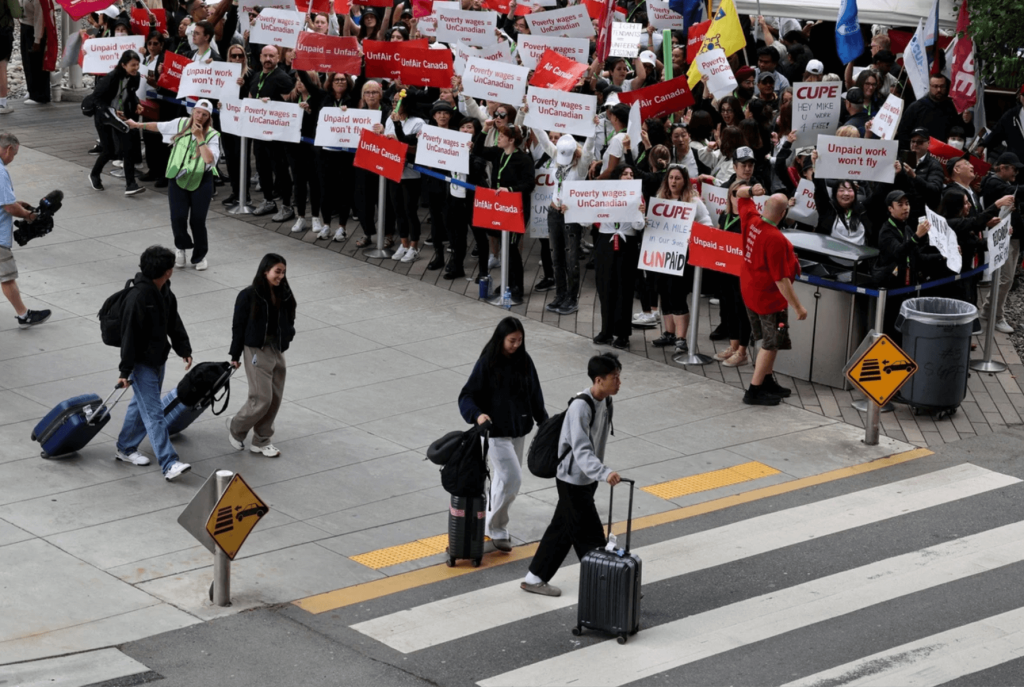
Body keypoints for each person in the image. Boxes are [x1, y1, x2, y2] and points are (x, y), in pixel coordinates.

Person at [522, 352, 622, 597]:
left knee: (563, 528)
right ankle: (608, 585)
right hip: (572, 479)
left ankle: (534, 577)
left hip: (586, 478)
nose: (619, 383)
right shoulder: (580, 406)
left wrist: (596, 473)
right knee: (589, 534)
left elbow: (596, 444)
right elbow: (581, 448)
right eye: (614, 378)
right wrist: (603, 472)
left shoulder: (606, 401)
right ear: (599, 380)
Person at [458, 317, 548, 553]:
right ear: (501, 339)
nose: (516, 345)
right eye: (511, 341)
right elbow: (466, 396)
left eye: (520, 340)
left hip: (518, 431)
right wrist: (477, 415)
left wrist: (545, 423)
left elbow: (535, 395)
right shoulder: (487, 363)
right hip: (495, 433)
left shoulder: (525, 361)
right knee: (512, 478)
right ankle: (497, 527)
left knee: (503, 478)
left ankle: (488, 523)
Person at [115, 246, 193, 481]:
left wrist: (183, 348)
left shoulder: (165, 291)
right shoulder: (138, 297)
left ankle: (125, 447)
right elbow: (128, 336)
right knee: (154, 413)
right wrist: (125, 371)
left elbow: (173, 321)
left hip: (158, 358)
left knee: (141, 406)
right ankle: (169, 463)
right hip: (141, 364)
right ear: (168, 271)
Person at [128, 99, 220, 271]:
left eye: (204, 114)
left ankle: (200, 256)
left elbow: (209, 159)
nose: (199, 116)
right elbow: (159, 126)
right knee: (177, 217)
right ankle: (181, 247)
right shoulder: (181, 124)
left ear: (209, 117)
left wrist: (200, 137)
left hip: (201, 180)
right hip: (178, 177)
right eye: (198, 112)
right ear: (193, 111)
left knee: (197, 221)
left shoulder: (213, 135)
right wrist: (137, 125)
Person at [735, 187, 805, 406]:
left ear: (764, 206)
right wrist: (798, 307)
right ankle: (754, 390)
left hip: (750, 292)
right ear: (784, 213)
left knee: (771, 339)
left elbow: (739, 194)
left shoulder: (751, 219)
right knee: (771, 341)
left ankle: (766, 380)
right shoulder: (776, 238)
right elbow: (781, 280)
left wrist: (749, 190)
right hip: (769, 300)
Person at [228, 253, 296, 458]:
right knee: (261, 398)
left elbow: (290, 316)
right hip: (256, 349)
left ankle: (261, 440)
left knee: (275, 397)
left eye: (283, 272)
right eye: (277, 271)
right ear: (265, 270)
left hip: (276, 348)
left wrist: (288, 335)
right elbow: (238, 326)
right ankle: (236, 427)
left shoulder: (284, 293)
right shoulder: (248, 295)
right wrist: (235, 353)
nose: (281, 276)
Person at [0, 132, 49, 327]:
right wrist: (28, 215)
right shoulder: (1, 172)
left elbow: (8, 202)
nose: (13, 159)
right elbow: (9, 208)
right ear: (8, 149)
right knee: (7, 278)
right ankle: (24, 315)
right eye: (15, 154)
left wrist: (15, 203)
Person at [593, 165, 644, 350]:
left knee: (624, 288)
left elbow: (638, 226)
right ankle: (606, 330)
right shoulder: (605, 194)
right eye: (625, 174)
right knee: (605, 286)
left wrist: (639, 211)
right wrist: (570, 208)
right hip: (605, 241)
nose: (629, 177)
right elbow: (586, 215)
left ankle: (622, 333)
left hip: (626, 244)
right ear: (617, 176)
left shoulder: (637, 195)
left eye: (631, 174)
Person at [90, 50, 146, 196]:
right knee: (108, 150)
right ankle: (94, 174)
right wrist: (111, 111)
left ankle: (130, 184)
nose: (136, 68)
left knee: (128, 148)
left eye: (137, 65)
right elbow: (96, 98)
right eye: (132, 65)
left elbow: (132, 92)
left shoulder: (135, 77)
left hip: (122, 116)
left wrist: (137, 103)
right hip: (105, 116)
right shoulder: (111, 77)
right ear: (123, 65)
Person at [979, 153, 1024, 332]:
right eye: (1014, 168)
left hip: (1012, 237)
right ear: (1003, 167)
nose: (1017, 173)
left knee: (1007, 278)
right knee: (1004, 279)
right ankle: (996, 316)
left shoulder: (1004, 184)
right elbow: (1016, 193)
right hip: (1003, 237)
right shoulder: (993, 183)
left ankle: (989, 310)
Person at [250, 46, 296, 222]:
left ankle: (287, 206)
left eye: (272, 56)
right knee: (262, 168)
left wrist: (271, 105)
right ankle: (268, 201)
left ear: (278, 58)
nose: (268, 58)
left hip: (277, 135)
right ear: (260, 57)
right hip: (259, 133)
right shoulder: (256, 76)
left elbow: (290, 105)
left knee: (280, 170)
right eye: (265, 55)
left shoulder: (282, 78)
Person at [897, 75, 974, 147]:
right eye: (935, 86)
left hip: (945, 155)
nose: (939, 90)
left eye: (942, 86)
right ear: (930, 87)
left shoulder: (954, 108)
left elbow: (969, 133)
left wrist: (967, 122)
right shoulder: (916, 108)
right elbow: (903, 133)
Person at [19, 0, 52, 105]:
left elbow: (40, 19)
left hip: (35, 30)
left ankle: (40, 96)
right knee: (27, 62)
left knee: (37, 63)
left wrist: (37, 39)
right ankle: (32, 90)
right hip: (25, 27)